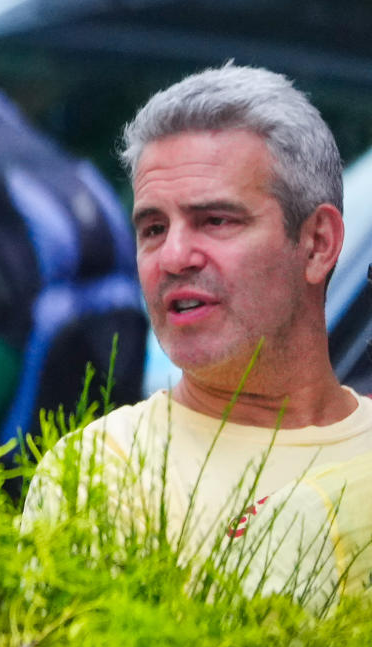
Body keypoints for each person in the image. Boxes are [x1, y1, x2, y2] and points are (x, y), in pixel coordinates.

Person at [22, 64, 372, 605]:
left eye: (216, 220)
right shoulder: (100, 475)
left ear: (318, 243)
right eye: (153, 228)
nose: (175, 257)